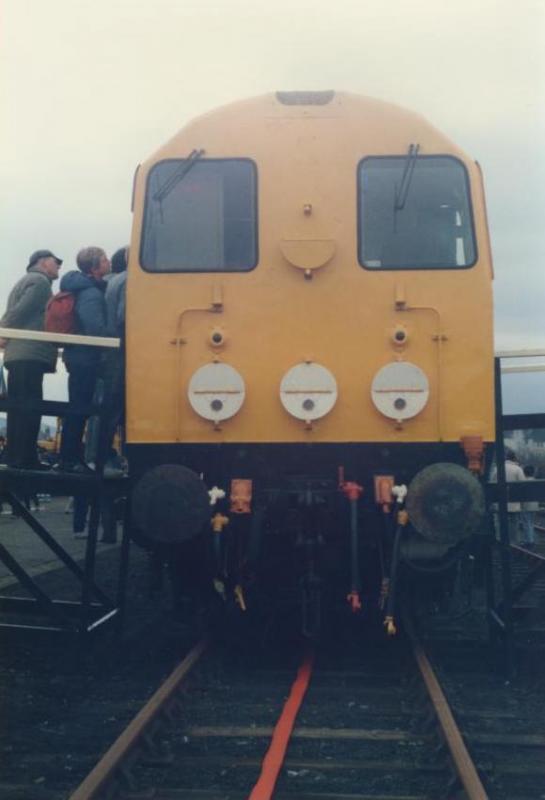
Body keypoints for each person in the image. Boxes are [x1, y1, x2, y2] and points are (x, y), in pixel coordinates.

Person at [0, 250, 61, 469]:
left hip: (18, 354)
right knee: (30, 407)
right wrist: (3, 332)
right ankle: (26, 458)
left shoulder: (25, 280)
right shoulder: (40, 282)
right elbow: (21, 310)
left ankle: (14, 455)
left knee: (17, 408)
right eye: (56, 262)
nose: (59, 267)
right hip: (30, 353)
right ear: (43, 262)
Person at [56, 246, 110, 472]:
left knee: (77, 407)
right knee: (79, 409)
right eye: (105, 260)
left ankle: (69, 457)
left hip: (76, 356)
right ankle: (70, 459)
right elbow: (95, 329)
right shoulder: (91, 294)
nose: (109, 263)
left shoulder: (82, 289)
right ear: (95, 267)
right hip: (85, 358)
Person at [520, 465, 538, 548]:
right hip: (534, 505)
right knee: (531, 523)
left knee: (526, 523)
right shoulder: (535, 481)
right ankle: (532, 539)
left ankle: (529, 541)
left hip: (526, 505)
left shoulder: (524, 482)